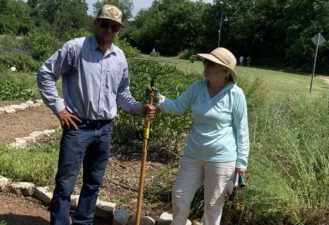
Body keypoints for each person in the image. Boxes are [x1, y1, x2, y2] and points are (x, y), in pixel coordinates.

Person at [37, 5, 155, 225]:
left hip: (105, 129)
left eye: (114, 27)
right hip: (78, 127)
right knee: (65, 183)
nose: (109, 30)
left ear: (119, 30)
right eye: (105, 24)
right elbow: (45, 73)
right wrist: (59, 108)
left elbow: (122, 94)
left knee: (93, 183)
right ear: (95, 23)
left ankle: (83, 222)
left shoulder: (120, 57)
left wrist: (141, 108)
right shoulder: (76, 48)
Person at [149, 47, 249, 225]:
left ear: (225, 71)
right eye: (205, 62)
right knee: (179, 194)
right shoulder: (198, 87)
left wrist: (242, 161)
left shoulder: (235, 94)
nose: (205, 66)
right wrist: (158, 98)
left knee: (212, 206)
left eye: (211, 63)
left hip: (221, 159)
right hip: (193, 155)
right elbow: (177, 107)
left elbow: (241, 129)